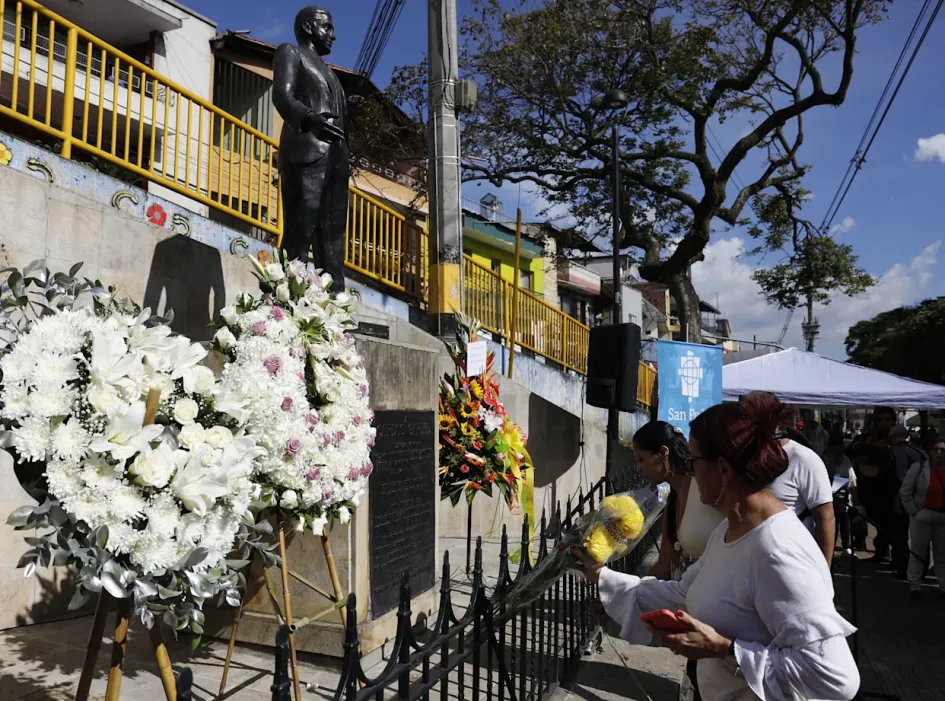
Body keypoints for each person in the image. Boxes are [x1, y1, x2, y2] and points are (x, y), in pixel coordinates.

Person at [581, 395, 859, 701]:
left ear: (723, 469)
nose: (690, 469)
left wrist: (725, 649)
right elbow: (685, 593)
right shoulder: (729, 530)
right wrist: (600, 576)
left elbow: (836, 679)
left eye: (695, 460)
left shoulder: (777, 551)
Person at [631, 421, 724, 701]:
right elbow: (664, 564)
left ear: (662, 453)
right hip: (697, 607)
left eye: (641, 459)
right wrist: (626, 594)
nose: (638, 468)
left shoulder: (706, 486)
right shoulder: (672, 498)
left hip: (724, 606)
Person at [743, 395, 836, 566]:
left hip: (791, 562)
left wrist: (824, 570)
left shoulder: (803, 458)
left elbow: (826, 518)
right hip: (747, 563)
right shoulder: (742, 456)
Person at [899, 439, 945, 600]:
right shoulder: (918, 468)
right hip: (923, 516)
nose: (939, 453)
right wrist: (914, 511)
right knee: (918, 553)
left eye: (942, 450)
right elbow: (905, 491)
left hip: (942, 518)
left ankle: (943, 586)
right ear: (930, 451)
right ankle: (915, 586)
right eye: (936, 449)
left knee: (942, 555)